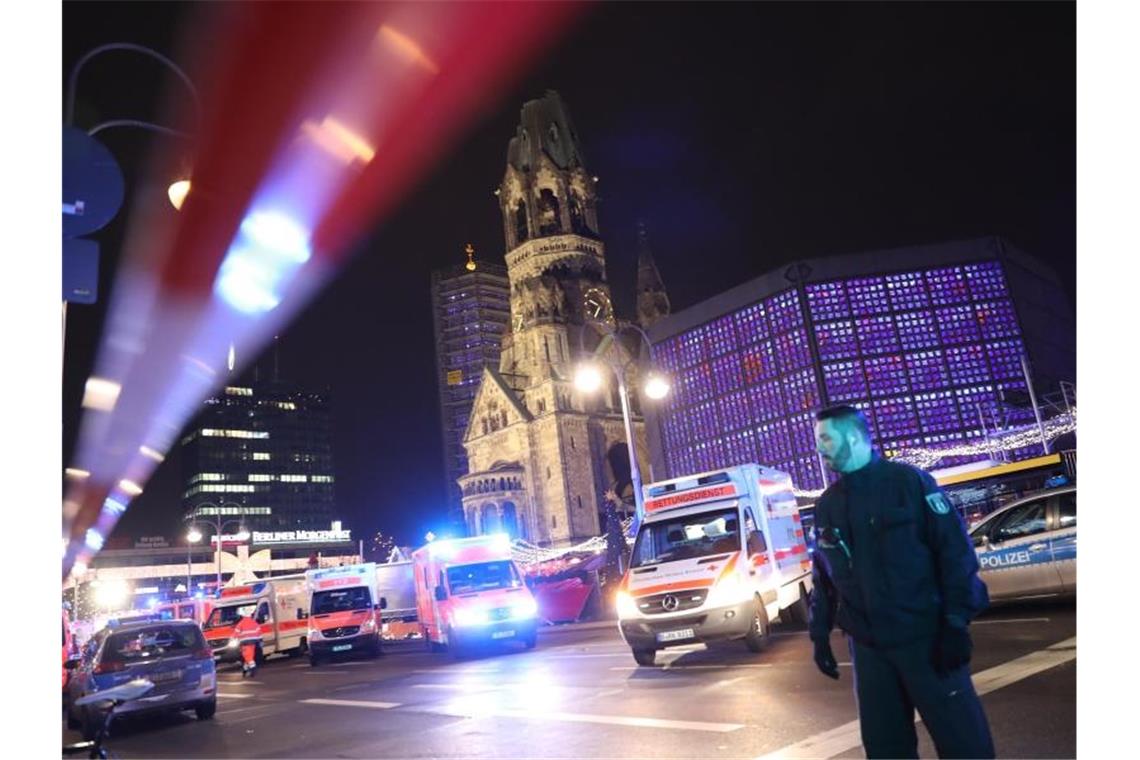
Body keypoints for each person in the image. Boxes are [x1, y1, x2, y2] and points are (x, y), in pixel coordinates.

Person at [808, 405, 995, 759]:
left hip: (927, 640)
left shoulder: (910, 483)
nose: (819, 449)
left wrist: (956, 623)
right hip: (869, 650)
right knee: (885, 750)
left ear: (852, 437)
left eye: (825, 439)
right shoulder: (828, 505)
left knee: (965, 746)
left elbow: (955, 555)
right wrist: (819, 635)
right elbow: (824, 576)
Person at [233, 606, 262, 678]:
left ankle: (253, 669)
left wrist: (234, 639)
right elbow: (259, 632)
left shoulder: (241, 623)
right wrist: (260, 640)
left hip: (245, 642)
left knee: (248, 656)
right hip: (254, 642)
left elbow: (236, 633)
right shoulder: (254, 622)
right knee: (249, 656)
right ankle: (245, 669)